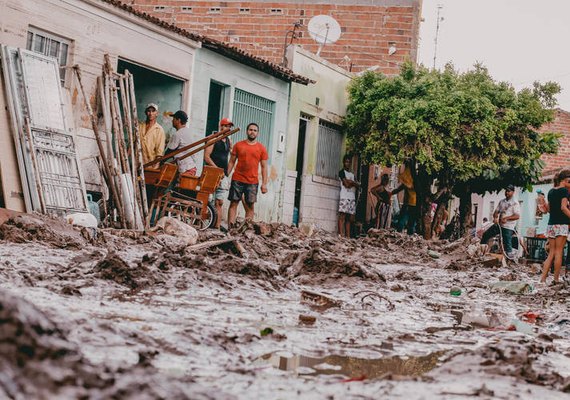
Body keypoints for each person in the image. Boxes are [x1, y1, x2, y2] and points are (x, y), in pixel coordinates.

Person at [227, 122, 268, 227]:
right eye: (250, 130)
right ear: (247, 131)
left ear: (257, 133)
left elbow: (264, 167)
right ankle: (230, 228)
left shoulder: (261, 148)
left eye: (255, 130)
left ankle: (246, 230)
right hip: (237, 179)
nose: (252, 132)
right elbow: (231, 161)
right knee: (233, 203)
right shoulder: (238, 145)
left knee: (250, 207)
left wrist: (264, 184)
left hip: (252, 181)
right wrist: (226, 174)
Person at [540, 168, 570, 285]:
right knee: (559, 252)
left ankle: (543, 278)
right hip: (561, 224)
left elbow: (549, 210)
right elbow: (563, 207)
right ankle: (556, 279)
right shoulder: (564, 192)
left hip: (551, 225)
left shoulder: (551, 191)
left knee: (551, 253)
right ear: (565, 180)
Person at [204, 118, 233, 230]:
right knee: (208, 199)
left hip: (223, 175)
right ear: (221, 126)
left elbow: (232, 156)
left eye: (229, 126)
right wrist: (217, 169)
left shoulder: (229, 141)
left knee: (219, 201)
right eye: (226, 126)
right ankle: (205, 224)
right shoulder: (214, 138)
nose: (227, 128)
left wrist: (227, 172)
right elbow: (206, 156)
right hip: (212, 173)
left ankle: (216, 227)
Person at [480, 184, 521, 259]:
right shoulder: (502, 202)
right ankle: (481, 253)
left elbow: (517, 216)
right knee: (486, 234)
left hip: (508, 227)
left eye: (509, 191)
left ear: (513, 192)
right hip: (499, 225)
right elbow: (496, 212)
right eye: (506, 191)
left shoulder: (515, 203)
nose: (506, 193)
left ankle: (510, 261)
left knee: (507, 245)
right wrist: (495, 217)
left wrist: (506, 218)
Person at [165, 110, 197, 176]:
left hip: (186, 168)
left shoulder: (178, 134)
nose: (172, 121)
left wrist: (160, 162)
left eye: (173, 119)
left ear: (178, 120)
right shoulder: (189, 132)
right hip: (191, 166)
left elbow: (169, 151)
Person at [392, 161, 417, 234]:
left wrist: (391, 193)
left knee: (402, 220)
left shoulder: (409, 179)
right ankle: (409, 235)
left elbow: (400, 188)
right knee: (411, 222)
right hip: (414, 204)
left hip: (409, 203)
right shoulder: (415, 180)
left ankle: (399, 234)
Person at [338, 155, 359, 237]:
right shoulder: (341, 172)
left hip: (351, 197)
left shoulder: (352, 174)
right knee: (342, 216)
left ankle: (348, 236)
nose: (348, 164)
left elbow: (358, 185)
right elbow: (346, 184)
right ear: (343, 162)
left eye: (349, 162)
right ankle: (340, 235)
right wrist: (352, 183)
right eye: (346, 162)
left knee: (349, 218)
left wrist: (352, 182)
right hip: (344, 197)